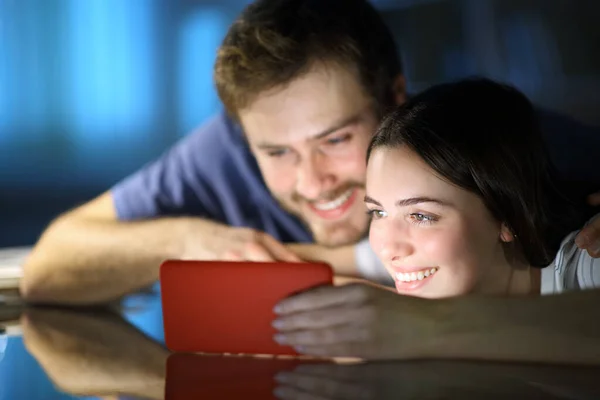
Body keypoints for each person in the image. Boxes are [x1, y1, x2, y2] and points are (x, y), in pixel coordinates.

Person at [21, 0, 600, 304]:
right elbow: (48, 271)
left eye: (336, 140)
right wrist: (191, 240)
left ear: (394, 97)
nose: (313, 181)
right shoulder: (222, 154)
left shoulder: (498, 145)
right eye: (275, 151)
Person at [271, 79, 600, 365]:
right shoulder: (424, 254)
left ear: (508, 216)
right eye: (378, 212)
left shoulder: (585, 265)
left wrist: (427, 325)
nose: (389, 247)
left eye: (421, 216)